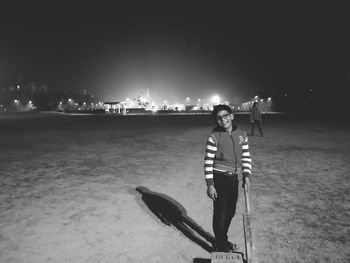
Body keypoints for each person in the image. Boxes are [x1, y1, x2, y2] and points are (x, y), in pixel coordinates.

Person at [204, 104, 252, 252]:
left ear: (231, 116)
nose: (223, 120)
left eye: (225, 116)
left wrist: (246, 175)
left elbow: (245, 156)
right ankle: (223, 245)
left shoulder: (242, 134)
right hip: (220, 179)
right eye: (219, 118)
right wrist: (210, 184)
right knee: (220, 214)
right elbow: (208, 161)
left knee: (230, 211)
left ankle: (221, 239)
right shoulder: (214, 137)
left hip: (234, 179)